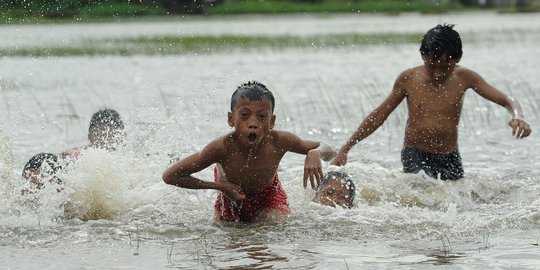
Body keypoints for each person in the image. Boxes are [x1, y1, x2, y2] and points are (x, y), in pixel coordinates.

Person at [332, 24, 532, 181]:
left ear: (458, 58)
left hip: (450, 155)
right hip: (415, 154)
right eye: (431, 65)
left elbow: (506, 99)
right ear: (422, 55)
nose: (437, 73)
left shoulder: (465, 77)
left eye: (445, 66)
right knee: (425, 197)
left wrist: (518, 115)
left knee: (455, 203)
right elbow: (379, 115)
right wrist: (346, 148)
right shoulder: (408, 79)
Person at [162, 81, 337, 223]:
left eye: (262, 116)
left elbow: (331, 150)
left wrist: (315, 153)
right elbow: (170, 176)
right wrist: (220, 187)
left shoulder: (279, 141)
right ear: (231, 119)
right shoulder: (221, 148)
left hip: (269, 193)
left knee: (277, 224)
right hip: (229, 196)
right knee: (229, 235)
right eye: (245, 115)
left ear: (272, 121)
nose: (253, 123)